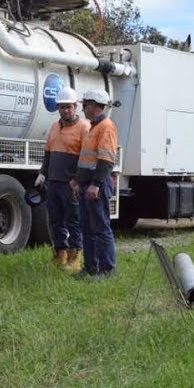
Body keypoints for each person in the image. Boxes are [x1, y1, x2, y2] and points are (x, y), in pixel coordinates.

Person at [35, 86, 90, 273]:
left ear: (76, 107)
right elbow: (49, 153)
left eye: (69, 106)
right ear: (58, 108)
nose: (66, 110)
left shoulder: (84, 128)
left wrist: (77, 180)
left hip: (70, 184)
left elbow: (86, 158)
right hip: (53, 182)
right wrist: (42, 174)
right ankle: (60, 253)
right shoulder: (54, 127)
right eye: (62, 107)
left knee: (73, 220)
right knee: (55, 220)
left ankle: (76, 256)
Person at [72, 88, 120, 278]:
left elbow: (106, 159)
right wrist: (77, 180)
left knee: (100, 228)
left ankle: (107, 269)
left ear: (93, 106)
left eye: (85, 105)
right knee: (86, 227)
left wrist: (96, 184)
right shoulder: (93, 127)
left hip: (96, 186)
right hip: (86, 184)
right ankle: (91, 267)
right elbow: (85, 159)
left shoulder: (106, 127)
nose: (83, 108)